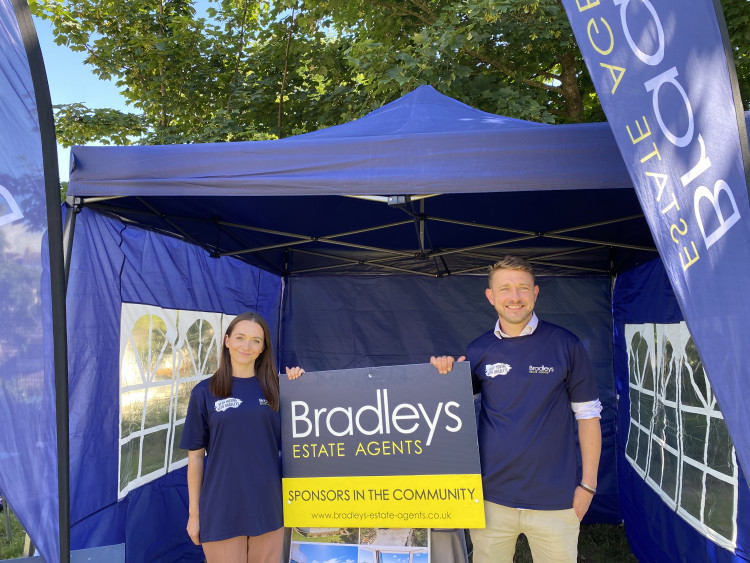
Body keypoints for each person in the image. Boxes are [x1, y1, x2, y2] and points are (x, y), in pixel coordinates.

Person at [430, 255, 602, 563]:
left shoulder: (566, 344)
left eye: (522, 288)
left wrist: (588, 487)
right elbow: (449, 409)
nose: (514, 297)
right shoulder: (478, 349)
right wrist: (443, 372)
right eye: (505, 288)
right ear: (491, 296)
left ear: (535, 293)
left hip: (555, 500)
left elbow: (588, 416)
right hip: (491, 499)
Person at [180, 312, 304, 563]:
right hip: (221, 507)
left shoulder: (279, 389)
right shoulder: (204, 392)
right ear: (227, 341)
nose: (246, 346)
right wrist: (194, 515)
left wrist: (301, 383)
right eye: (240, 337)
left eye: (256, 341)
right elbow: (195, 459)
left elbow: (309, 433)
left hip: (268, 507)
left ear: (263, 348)